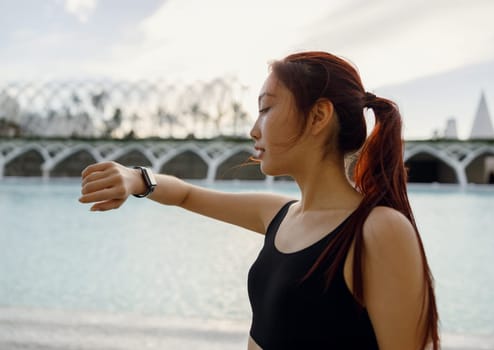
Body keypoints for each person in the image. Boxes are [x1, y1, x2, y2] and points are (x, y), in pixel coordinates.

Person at [79, 51, 439, 349]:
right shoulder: (278, 215)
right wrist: (135, 178)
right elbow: (186, 195)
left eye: (266, 109)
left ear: (318, 116)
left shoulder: (378, 231)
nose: (254, 129)